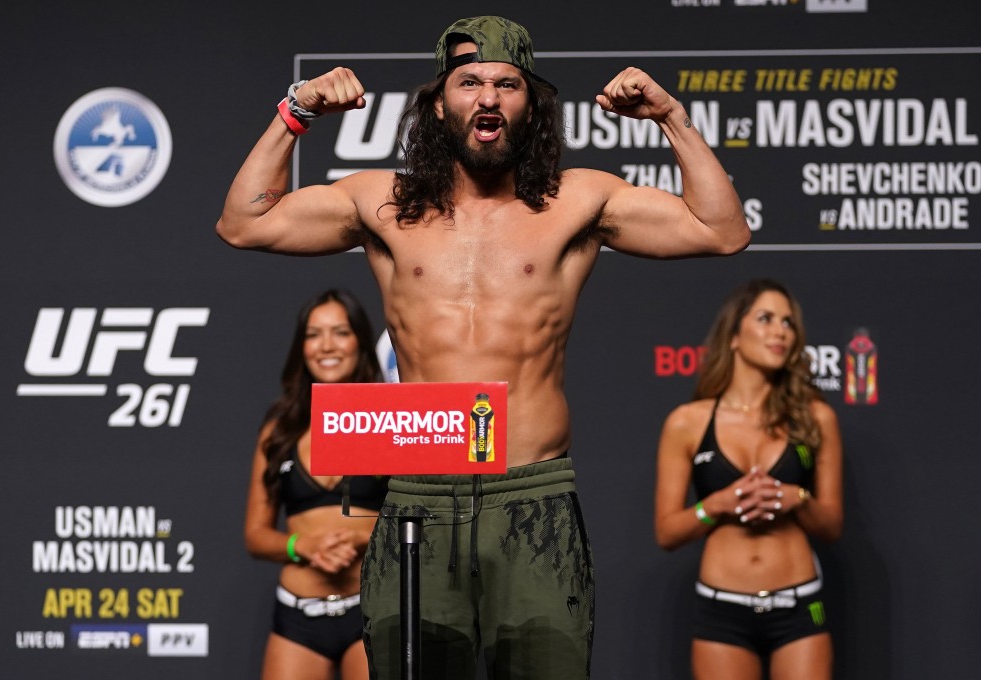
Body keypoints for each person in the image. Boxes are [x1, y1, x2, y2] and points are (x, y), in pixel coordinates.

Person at [218, 15, 750, 680]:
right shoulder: (385, 202)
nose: (489, 98)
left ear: (531, 104)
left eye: (507, 83)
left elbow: (722, 230)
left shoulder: (578, 200)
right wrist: (297, 111)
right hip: (417, 499)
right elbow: (243, 222)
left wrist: (670, 116)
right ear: (440, 104)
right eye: (469, 82)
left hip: (532, 497)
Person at [653, 279, 843, 680]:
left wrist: (800, 500)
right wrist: (716, 506)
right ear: (734, 335)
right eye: (766, 318)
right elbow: (667, 532)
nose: (780, 331)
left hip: (800, 604)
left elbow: (832, 526)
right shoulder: (687, 423)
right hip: (721, 609)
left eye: (788, 323)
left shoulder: (815, 416)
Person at [244, 289, 389, 680]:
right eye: (314, 334)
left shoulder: (391, 421)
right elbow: (256, 535)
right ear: (301, 346)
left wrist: (360, 540)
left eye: (340, 332)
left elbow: (422, 519)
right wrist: (301, 546)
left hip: (373, 608)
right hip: (298, 615)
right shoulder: (279, 430)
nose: (326, 345)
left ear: (360, 340)